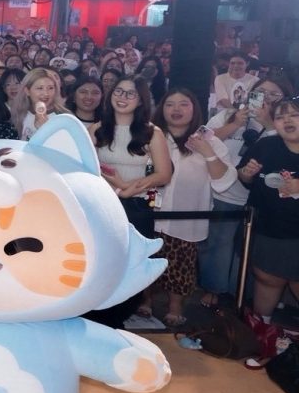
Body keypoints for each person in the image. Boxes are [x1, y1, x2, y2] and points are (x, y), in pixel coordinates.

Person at [198, 76, 292, 304]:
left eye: (273, 94)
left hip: (258, 197)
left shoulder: (283, 123)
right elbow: (200, 138)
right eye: (261, 92)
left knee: (246, 249)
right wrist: (235, 124)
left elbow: (286, 153)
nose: (266, 98)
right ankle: (214, 290)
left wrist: (269, 124)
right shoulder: (229, 115)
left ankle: (237, 294)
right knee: (218, 243)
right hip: (223, 190)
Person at [89, 75, 172, 327]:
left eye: (130, 93)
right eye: (118, 91)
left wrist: (129, 188)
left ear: (140, 100)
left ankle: (120, 317)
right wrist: (119, 187)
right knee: (101, 262)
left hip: (136, 207)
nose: (122, 97)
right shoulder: (96, 129)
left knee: (130, 266)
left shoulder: (151, 132)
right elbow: (88, 167)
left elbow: (163, 174)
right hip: (102, 206)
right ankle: (95, 316)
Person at [151, 89, 236, 326]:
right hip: (152, 211)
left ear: (194, 108)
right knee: (147, 259)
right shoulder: (153, 135)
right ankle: (144, 301)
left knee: (181, 263)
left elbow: (224, 181)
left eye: (183, 104)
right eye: (170, 104)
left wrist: (206, 151)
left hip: (187, 214)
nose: (176, 109)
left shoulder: (210, 140)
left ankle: (175, 306)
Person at [238, 97, 299, 357]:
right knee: (266, 278)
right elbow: (243, 176)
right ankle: (261, 335)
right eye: (280, 116)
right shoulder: (266, 145)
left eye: (293, 114)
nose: (287, 120)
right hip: (266, 227)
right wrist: (247, 173)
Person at [18, 68, 68, 140]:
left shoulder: (63, 117)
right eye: (40, 88)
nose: (46, 93)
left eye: (50, 88)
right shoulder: (21, 113)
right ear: (27, 91)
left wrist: (46, 129)